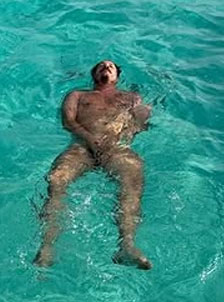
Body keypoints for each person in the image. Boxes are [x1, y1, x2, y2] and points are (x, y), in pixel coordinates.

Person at [34, 60, 152, 270]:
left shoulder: (131, 98)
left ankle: (127, 245)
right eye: (101, 66)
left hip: (116, 148)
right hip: (81, 148)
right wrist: (89, 138)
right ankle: (47, 247)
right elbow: (68, 122)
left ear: (117, 76)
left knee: (132, 180)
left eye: (111, 66)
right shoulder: (78, 95)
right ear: (94, 75)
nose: (106, 67)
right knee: (56, 180)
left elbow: (140, 125)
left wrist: (133, 123)